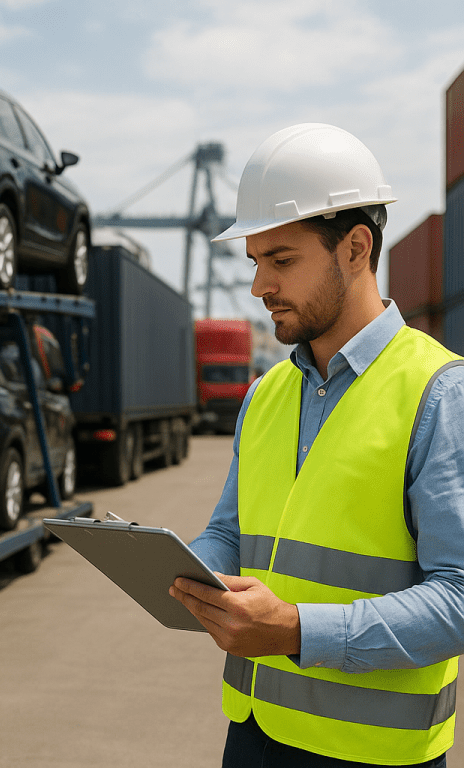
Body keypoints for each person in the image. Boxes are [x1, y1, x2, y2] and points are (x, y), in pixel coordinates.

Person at [169, 123, 464, 767]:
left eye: (281, 261)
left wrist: (298, 630)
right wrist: (185, 571)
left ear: (356, 248)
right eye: (255, 263)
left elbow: (459, 596)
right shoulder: (266, 394)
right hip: (255, 735)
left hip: (374, 753)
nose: (258, 287)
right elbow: (231, 531)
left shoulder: (440, 393)